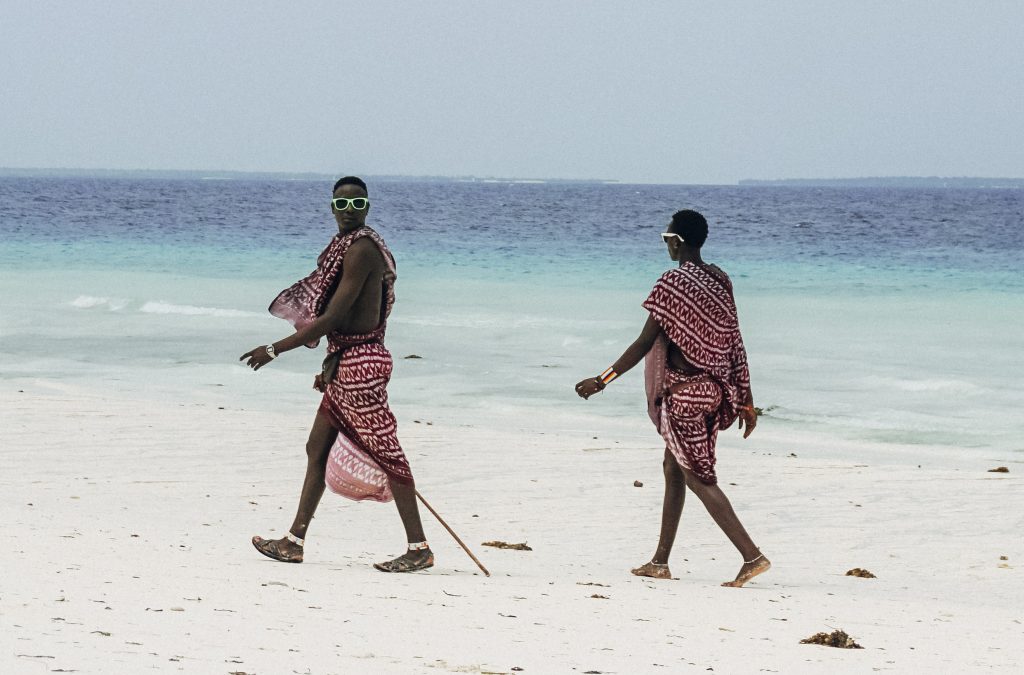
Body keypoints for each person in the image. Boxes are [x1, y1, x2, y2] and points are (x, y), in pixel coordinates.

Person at [241, 176, 433, 573]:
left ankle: (419, 549)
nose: (349, 211)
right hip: (347, 361)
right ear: (331, 207)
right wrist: (330, 364)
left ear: (367, 206)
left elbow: (334, 317)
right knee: (317, 448)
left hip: (361, 367)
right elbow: (342, 326)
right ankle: (294, 541)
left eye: (356, 203)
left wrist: (275, 349)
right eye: (341, 205)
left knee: (390, 458)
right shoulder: (346, 247)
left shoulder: (362, 250)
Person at [574, 209, 769, 588]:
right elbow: (735, 343)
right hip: (713, 391)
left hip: (684, 396)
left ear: (676, 241)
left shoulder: (672, 284)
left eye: (667, 240)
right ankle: (660, 561)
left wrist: (602, 380)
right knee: (672, 467)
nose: (666, 246)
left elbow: (645, 342)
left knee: (699, 478)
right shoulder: (720, 280)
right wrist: (746, 398)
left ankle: (752, 556)